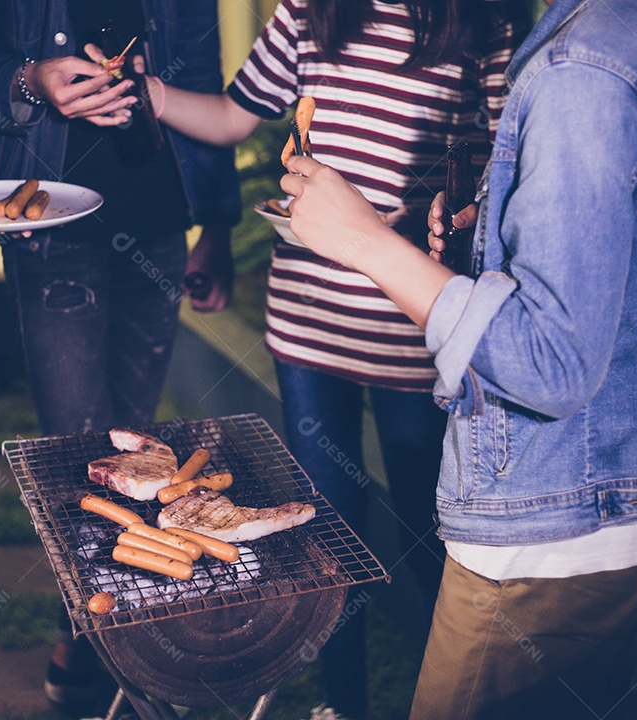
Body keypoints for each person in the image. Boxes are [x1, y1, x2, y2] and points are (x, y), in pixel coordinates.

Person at [279, 0, 637, 717]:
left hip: (552, 522)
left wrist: (364, 243)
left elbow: (551, 362)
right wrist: (499, 236)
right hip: (625, 496)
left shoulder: (584, 70)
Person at [115, 1, 525, 717]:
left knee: (428, 530)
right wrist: (146, 91)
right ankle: (341, 706)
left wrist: (434, 209)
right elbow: (232, 117)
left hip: (413, 327)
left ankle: (448, 698)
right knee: (325, 533)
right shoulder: (311, 12)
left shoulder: (483, 23)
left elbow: (502, 165)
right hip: (308, 322)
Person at [0, 1, 241, 714]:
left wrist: (216, 221)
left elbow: (203, 74)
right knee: (78, 455)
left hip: (158, 215)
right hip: (50, 224)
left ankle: (116, 628)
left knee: (138, 451)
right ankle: (95, 628)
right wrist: (29, 79)